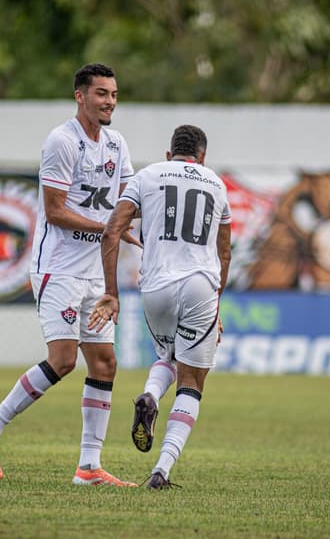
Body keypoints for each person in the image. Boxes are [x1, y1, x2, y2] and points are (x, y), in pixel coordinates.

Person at [0, 63, 141, 486]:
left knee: (104, 362)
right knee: (63, 360)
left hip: (95, 274)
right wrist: (110, 228)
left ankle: (89, 467)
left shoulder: (116, 144)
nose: (110, 101)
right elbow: (56, 212)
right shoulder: (62, 141)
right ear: (80, 96)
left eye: (114, 94)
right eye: (101, 93)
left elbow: (131, 200)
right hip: (58, 270)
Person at [88, 124, 232, 490]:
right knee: (193, 380)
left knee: (166, 356)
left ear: (170, 155)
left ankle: (150, 396)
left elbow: (112, 231)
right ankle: (161, 471)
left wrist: (111, 292)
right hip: (201, 285)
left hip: (156, 286)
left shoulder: (146, 175)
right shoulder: (216, 183)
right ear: (201, 158)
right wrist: (216, 303)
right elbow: (225, 250)